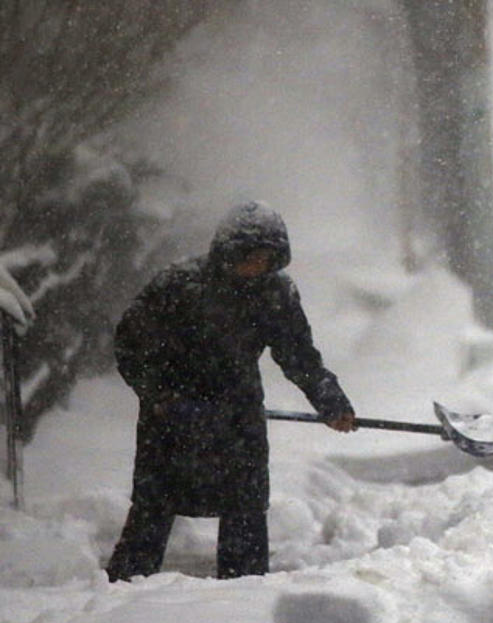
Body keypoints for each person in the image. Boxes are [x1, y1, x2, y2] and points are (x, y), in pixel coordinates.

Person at [105, 200, 356, 581]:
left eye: (267, 259)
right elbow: (130, 344)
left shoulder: (276, 293)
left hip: (238, 417)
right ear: (228, 251)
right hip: (172, 420)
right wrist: (160, 395)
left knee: (245, 511)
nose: (257, 266)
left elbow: (299, 356)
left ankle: (244, 596)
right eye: (250, 257)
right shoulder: (178, 284)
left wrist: (331, 402)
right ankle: (120, 590)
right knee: (153, 510)